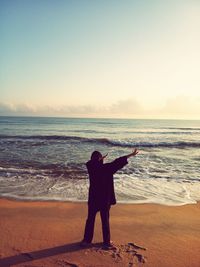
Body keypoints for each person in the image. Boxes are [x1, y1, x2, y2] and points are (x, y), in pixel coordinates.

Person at [81, 148, 139, 249]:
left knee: (90, 220)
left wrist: (99, 159)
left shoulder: (90, 168)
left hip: (93, 199)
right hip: (104, 200)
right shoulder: (107, 168)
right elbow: (118, 162)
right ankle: (106, 242)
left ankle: (86, 241)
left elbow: (90, 163)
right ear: (100, 159)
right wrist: (131, 155)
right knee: (105, 220)